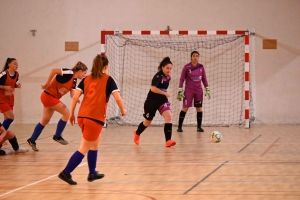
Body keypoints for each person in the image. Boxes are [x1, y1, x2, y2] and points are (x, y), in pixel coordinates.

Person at [58, 54, 127, 185]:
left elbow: (74, 97)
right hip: (94, 117)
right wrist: (123, 110)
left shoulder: (86, 79)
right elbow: (118, 98)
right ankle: (66, 173)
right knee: (83, 148)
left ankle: (92, 173)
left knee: (95, 143)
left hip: (82, 116)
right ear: (105, 67)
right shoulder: (108, 79)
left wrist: (72, 114)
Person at [26, 61, 88, 151]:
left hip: (50, 97)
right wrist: (47, 83)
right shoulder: (69, 73)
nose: (85, 75)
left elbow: (72, 94)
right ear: (79, 71)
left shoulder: (74, 81)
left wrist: (76, 98)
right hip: (48, 96)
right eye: (84, 73)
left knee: (44, 121)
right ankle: (57, 136)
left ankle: (32, 140)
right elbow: (53, 71)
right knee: (67, 113)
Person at [133, 57, 176, 147]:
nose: (169, 70)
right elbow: (153, 88)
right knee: (147, 122)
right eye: (167, 68)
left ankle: (168, 141)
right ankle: (137, 133)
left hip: (162, 100)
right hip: (151, 102)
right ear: (162, 67)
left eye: (170, 68)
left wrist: (166, 99)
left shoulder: (168, 77)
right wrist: (165, 93)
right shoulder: (157, 76)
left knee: (169, 117)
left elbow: (163, 89)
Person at [177, 51, 210, 132]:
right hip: (189, 90)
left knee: (199, 108)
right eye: (194, 56)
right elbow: (182, 79)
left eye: (197, 56)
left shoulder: (201, 67)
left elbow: (204, 78)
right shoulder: (186, 67)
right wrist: (180, 89)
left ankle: (199, 127)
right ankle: (179, 127)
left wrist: (207, 88)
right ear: (191, 57)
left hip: (198, 91)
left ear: (198, 57)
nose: (195, 57)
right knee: (185, 108)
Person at [0, 58, 21, 131]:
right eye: (15, 63)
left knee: (6, 119)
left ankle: (2, 138)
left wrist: (16, 86)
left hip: (10, 99)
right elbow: (4, 86)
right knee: (11, 117)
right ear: (9, 65)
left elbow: (12, 84)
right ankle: (1, 135)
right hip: (2, 99)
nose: (17, 65)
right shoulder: (4, 74)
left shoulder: (17, 74)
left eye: (17, 64)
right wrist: (4, 87)